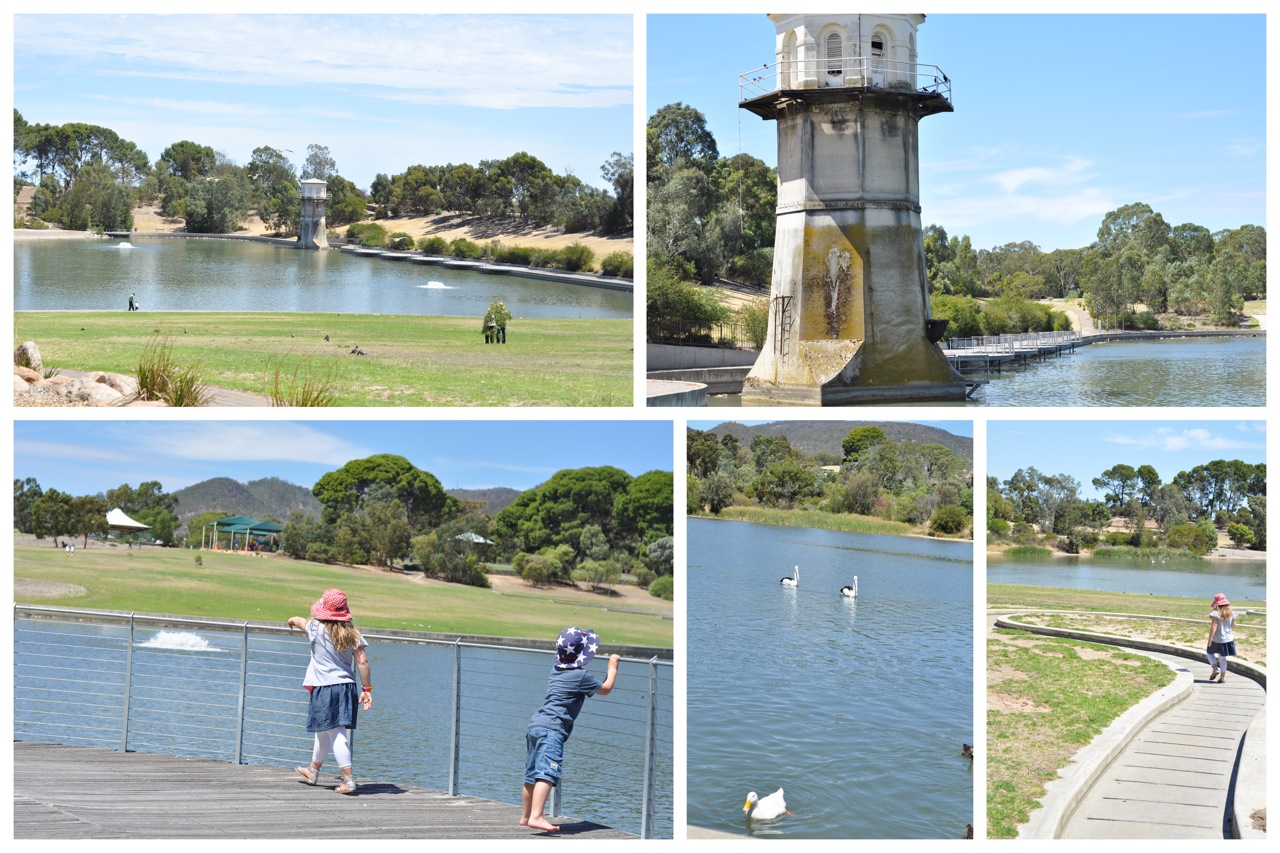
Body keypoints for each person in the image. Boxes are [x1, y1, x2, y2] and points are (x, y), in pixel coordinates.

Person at [520, 626, 620, 833]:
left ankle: (526, 816)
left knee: (531, 774)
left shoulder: (555, 670)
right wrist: (612, 666)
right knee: (547, 773)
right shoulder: (581, 676)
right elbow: (606, 689)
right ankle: (537, 817)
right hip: (552, 729)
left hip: (536, 724)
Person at [287, 589, 373, 794]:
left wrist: (291, 619)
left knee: (336, 732)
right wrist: (367, 689)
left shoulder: (315, 628)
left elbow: (300, 621)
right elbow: (363, 662)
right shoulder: (352, 633)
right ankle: (313, 770)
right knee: (324, 731)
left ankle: (348, 779)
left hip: (325, 687)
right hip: (346, 687)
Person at [1206, 593, 1237, 683]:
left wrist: (1210, 639)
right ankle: (1222, 677)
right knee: (1222, 658)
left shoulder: (1215, 613)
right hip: (1228, 639)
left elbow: (1214, 625)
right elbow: (1233, 626)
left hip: (1217, 638)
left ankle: (1215, 668)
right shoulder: (1231, 613)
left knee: (1209, 652)